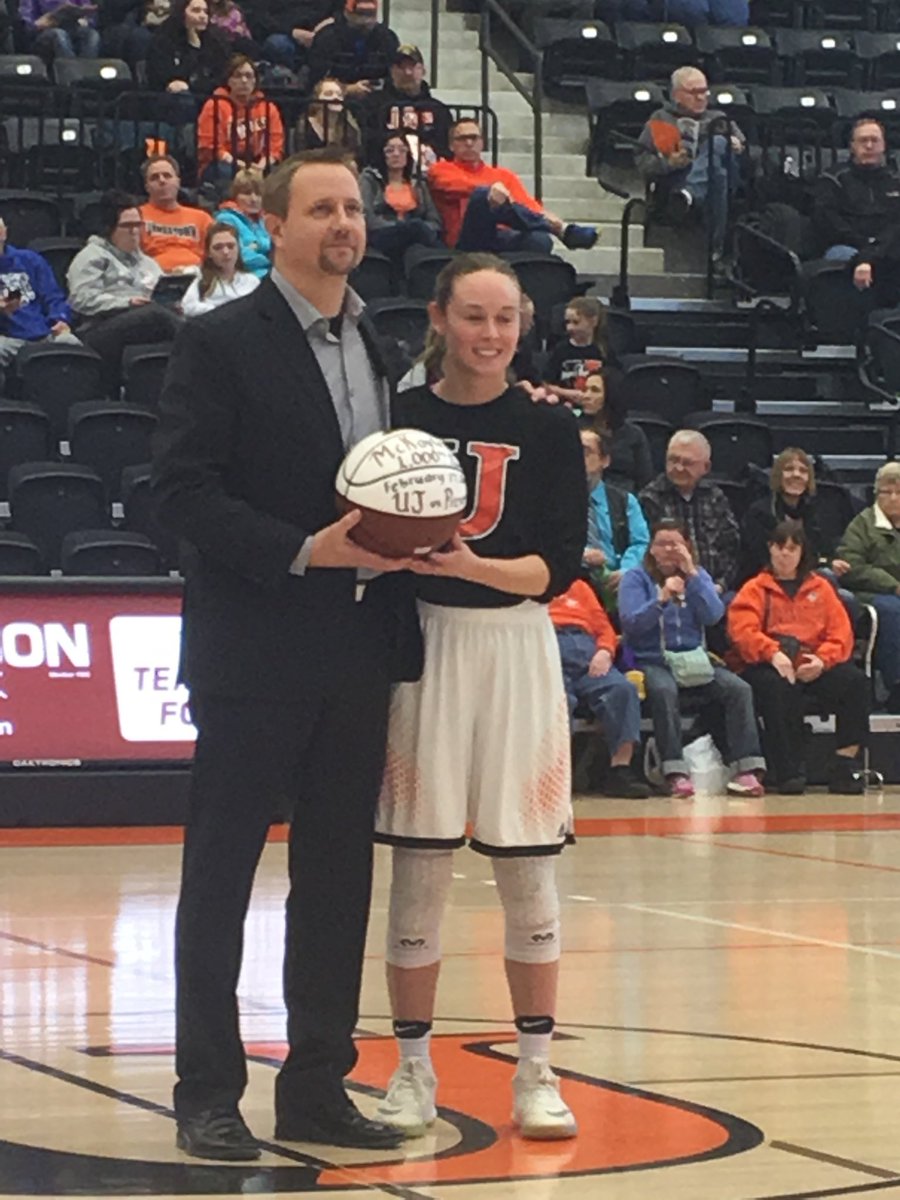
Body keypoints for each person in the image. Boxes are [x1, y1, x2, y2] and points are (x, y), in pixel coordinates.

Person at [152, 147, 417, 1162]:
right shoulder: (219, 340)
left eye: (352, 208)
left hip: (358, 650)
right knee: (220, 879)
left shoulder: (380, 343)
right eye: (322, 208)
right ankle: (207, 1092)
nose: (344, 224)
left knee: (339, 881)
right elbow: (181, 492)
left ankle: (317, 1087)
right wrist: (305, 551)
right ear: (276, 225)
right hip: (254, 647)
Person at [373, 253, 586, 1142]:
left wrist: (471, 566)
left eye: (505, 319)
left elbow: (557, 567)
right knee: (419, 872)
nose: (490, 335)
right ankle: (411, 1072)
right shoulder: (400, 419)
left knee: (528, 872)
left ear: (523, 325)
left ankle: (537, 1072)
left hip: (514, 647)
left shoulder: (546, 428)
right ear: (440, 317)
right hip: (421, 646)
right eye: (474, 317)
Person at [619, 520, 765, 799]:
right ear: (651, 549)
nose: (669, 550)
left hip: (695, 659)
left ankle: (747, 768)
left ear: (687, 548)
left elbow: (714, 615)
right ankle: (675, 771)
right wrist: (660, 600)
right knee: (663, 690)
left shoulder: (699, 577)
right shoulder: (635, 579)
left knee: (739, 689)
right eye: (662, 544)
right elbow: (631, 624)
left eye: (676, 544)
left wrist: (693, 577)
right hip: (652, 660)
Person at [729, 520, 867, 796]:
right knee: (778, 688)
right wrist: (772, 653)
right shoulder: (755, 588)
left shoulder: (822, 587)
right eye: (780, 547)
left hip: (812, 661)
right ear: (770, 549)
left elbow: (841, 633)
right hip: (768, 662)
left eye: (792, 548)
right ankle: (789, 770)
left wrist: (822, 661)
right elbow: (742, 631)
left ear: (802, 552)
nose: (785, 554)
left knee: (856, 683)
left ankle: (845, 764)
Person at [427, 118, 598, 254]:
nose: (469, 143)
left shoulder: (504, 175)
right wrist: (494, 191)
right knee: (482, 195)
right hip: (467, 238)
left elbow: (527, 205)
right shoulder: (440, 169)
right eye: (462, 138)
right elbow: (453, 186)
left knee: (540, 240)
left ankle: (556, 229)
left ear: (482, 143)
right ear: (451, 145)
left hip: (503, 236)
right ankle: (563, 231)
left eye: (474, 138)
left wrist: (547, 217)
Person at [67, 190, 182, 386]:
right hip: (98, 328)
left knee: (168, 314)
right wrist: (126, 303)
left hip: (143, 323)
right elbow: (80, 299)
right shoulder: (91, 256)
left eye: (138, 225)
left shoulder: (148, 262)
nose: (135, 232)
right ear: (109, 228)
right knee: (157, 315)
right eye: (127, 226)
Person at [550, 577, 649, 799]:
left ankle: (619, 770)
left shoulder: (579, 586)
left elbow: (603, 627)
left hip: (589, 652)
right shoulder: (529, 586)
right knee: (558, 700)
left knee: (623, 689)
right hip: (548, 650)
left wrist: (605, 651)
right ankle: (554, 776)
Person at [637, 66, 745, 260]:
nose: (702, 97)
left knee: (719, 142)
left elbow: (746, 150)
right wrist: (670, 163)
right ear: (677, 95)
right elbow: (643, 162)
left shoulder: (719, 118)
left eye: (704, 91)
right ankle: (716, 249)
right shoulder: (661, 119)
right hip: (680, 177)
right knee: (717, 176)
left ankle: (690, 193)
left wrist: (737, 146)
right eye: (695, 92)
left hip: (728, 177)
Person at [640, 429, 739, 595]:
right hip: (666, 590)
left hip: (715, 590)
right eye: (673, 460)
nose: (678, 468)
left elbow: (732, 550)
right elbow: (645, 553)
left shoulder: (716, 497)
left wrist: (720, 586)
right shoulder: (650, 498)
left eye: (687, 463)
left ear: (706, 467)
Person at [813, 119, 900, 305]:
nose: (869, 146)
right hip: (847, 246)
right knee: (841, 259)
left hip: (887, 247)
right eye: (863, 140)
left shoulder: (896, 179)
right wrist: (865, 253)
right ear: (852, 146)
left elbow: (895, 226)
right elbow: (830, 224)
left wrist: (873, 253)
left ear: (884, 145)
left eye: (874, 140)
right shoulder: (832, 179)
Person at [837, 460, 900, 713]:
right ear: (877, 494)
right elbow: (852, 565)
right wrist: (894, 585)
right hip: (873, 594)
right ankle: (895, 684)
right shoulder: (863, 524)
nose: (894, 497)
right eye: (887, 491)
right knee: (893, 611)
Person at [740, 446, 851, 584]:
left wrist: (831, 562)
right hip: (767, 580)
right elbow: (762, 560)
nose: (796, 475)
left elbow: (823, 551)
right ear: (778, 476)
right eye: (789, 469)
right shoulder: (759, 512)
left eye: (803, 471)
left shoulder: (813, 511)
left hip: (807, 577)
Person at [582, 427, 649, 612]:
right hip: (573, 582)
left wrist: (626, 571)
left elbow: (641, 543)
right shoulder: (554, 501)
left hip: (618, 581)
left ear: (605, 460)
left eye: (585, 451)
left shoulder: (625, 500)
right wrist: (582, 554)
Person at [0, 217, 80, 366]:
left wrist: (60, 320)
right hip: (5, 338)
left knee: (71, 343)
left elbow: (54, 297)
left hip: (44, 333)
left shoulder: (30, 260)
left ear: (5, 232)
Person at [197, 55, 285, 183]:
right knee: (225, 172)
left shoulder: (268, 107)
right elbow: (211, 147)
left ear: (255, 81)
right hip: (223, 163)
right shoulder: (214, 105)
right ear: (229, 81)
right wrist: (242, 166)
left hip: (258, 162)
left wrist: (261, 165)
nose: (244, 80)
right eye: (238, 76)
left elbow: (275, 146)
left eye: (249, 76)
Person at [361, 43, 452, 167]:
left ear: (423, 70)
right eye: (401, 67)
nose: (408, 72)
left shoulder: (439, 110)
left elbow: (446, 148)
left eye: (413, 67)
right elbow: (368, 144)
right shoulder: (373, 104)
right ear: (392, 71)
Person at [360, 131, 442, 261]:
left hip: (416, 236)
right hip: (383, 234)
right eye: (390, 151)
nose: (396, 154)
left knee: (418, 236)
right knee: (415, 228)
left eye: (402, 150)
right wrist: (399, 227)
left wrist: (422, 229)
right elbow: (367, 216)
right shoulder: (370, 179)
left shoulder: (419, 182)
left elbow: (434, 220)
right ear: (381, 154)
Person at [581, 370, 653, 493]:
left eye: (594, 390)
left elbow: (645, 479)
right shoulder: (576, 430)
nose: (586, 396)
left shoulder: (634, 434)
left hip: (625, 501)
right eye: (585, 389)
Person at [140, 155, 214, 273]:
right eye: (154, 177)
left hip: (198, 279)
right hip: (153, 279)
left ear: (178, 182)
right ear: (147, 187)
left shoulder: (203, 219)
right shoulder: (137, 217)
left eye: (167, 175)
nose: (162, 180)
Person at [307, 0, 398, 95]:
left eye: (369, 14)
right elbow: (316, 81)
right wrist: (347, 89)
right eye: (360, 13)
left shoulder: (387, 38)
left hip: (377, 100)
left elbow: (394, 78)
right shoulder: (326, 37)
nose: (365, 20)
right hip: (336, 100)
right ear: (347, 11)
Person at [146, 0, 230, 95]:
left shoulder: (215, 41)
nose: (202, 16)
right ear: (182, 13)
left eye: (205, 12)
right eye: (196, 10)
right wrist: (193, 47)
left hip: (207, 95)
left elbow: (219, 74)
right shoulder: (164, 39)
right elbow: (161, 77)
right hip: (171, 98)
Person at [182, 221, 259, 315]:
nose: (226, 252)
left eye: (231, 246)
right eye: (218, 247)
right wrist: (223, 312)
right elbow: (188, 307)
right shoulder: (196, 276)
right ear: (208, 252)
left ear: (239, 248)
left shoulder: (252, 280)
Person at [543, 296, 608, 406]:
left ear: (593, 322)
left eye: (576, 322)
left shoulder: (603, 351)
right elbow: (546, 384)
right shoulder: (561, 350)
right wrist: (566, 393)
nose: (570, 328)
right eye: (568, 322)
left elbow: (611, 386)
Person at [214, 168, 272, 277]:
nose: (254, 199)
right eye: (247, 193)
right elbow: (240, 256)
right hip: (245, 277)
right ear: (235, 196)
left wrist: (258, 245)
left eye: (258, 194)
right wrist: (272, 259)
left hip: (272, 275)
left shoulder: (266, 219)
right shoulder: (226, 220)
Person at [251, 0, 338, 72]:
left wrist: (325, 26)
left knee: (328, 40)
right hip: (284, 33)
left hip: (322, 32)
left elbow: (339, 12)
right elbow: (262, 18)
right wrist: (292, 32)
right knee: (277, 44)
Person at [295, 78, 362, 158]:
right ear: (317, 99)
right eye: (329, 94)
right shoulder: (305, 125)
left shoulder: (348, 126)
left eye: (339, 95)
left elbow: (353, 155)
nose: (335, 98)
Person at [20, 0, 100, 61]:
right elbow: (27, 23)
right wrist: (40, 23)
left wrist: (87, 21)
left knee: (92, 35)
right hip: (44, 32)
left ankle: (86, 74)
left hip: (73, 27)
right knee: (59, 35)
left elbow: (89, 15)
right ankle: (71, 71)